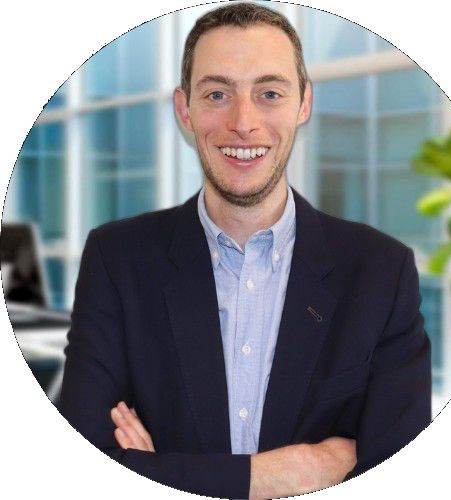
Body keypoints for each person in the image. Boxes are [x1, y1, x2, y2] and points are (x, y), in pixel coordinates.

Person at [58, 3, 431, 498]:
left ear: (303, 104)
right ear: (184, 110)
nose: (244, 123)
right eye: (217, 94)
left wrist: (159, 471)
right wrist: (287, 472)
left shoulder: (381, 273)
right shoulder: (117, 260)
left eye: (269, 93)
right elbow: (81, 468)